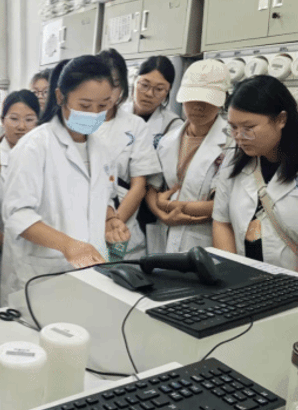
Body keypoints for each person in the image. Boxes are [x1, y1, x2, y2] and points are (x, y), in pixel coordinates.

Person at [0, 56, 130, 306]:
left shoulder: (102, 148)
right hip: (43, 274)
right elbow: (17, 214)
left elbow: (102, 197)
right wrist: (67, 245)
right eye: (85, 105)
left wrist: (110, 220)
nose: (94, 114)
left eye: (103, 106)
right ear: (60, 97)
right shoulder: (34, 146)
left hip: (91, 268)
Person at [145, 59, 230, 254]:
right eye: (192, 99)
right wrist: (162, 214)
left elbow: (225, 203)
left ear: (224, 98)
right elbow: (152, 187)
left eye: (207, 100)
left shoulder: (233, 143)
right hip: (165, 234)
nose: (198, 107)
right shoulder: (168, 141)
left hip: (205, 238)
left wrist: (169, 205)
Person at [213, 75, 298, 270]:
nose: (239, 137)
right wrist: (232, 273)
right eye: (233, 127)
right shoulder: (233, 162)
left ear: (281, 119)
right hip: (244, 280)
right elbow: (222, 221)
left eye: (249, 128)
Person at [95, 49, 161, 260]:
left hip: (123, 225)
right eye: (101, 82)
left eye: (114, 83)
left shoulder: (135, 125)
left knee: (119, 275)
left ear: (123, 85)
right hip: (83, 221)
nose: (108, 91)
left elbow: (139, 186)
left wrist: (114, 224)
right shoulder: (79, 122)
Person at [0, 89, 40, 251]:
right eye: (14, 119)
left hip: (41, 250)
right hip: (2, 250)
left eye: (29, 119)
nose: (22, 126)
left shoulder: (48, 159)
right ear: (2, 121)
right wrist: (7, 248)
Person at [126, 55, 183, 148]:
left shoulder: (174, 126)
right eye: (145, 85)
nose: (149, 93)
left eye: (159, 89)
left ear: (168, 91)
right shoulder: (114, 114)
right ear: (135, 81)